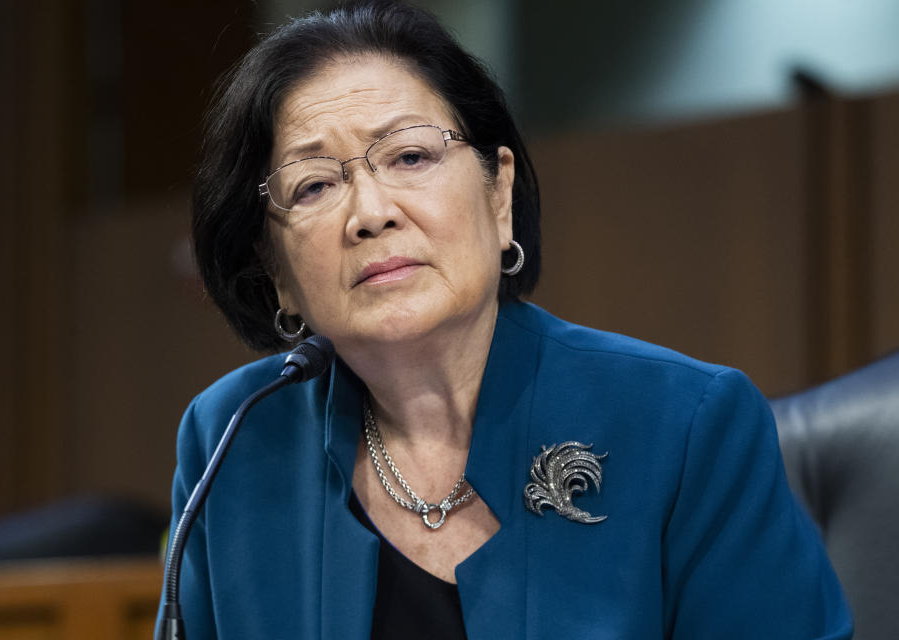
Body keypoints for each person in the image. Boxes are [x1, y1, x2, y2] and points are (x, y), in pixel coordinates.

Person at [160, 1, 853, 638]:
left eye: (410, 156)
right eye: (314, 185)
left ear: (500, 198)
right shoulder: (234, 439)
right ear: (276, 272)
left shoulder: (687, 425)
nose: (371, 212)